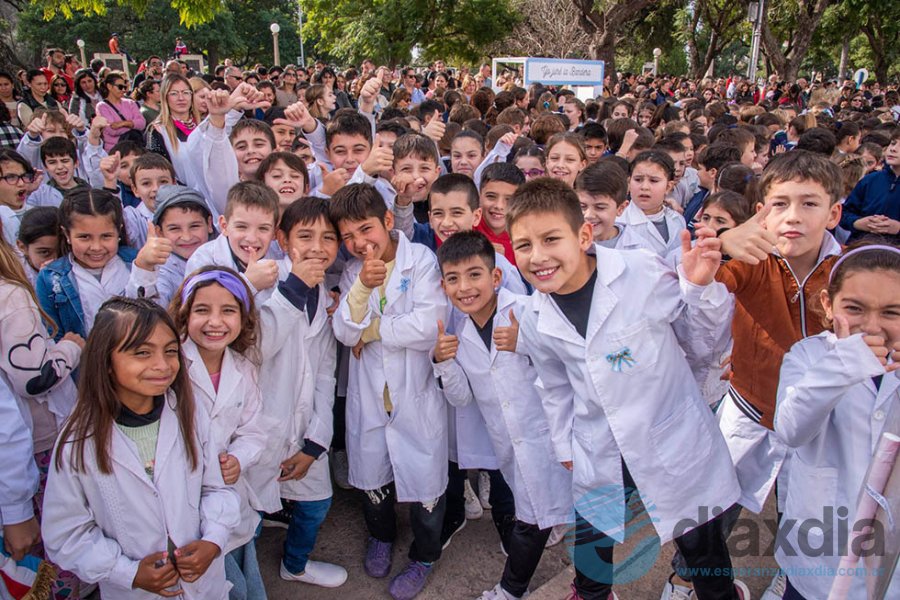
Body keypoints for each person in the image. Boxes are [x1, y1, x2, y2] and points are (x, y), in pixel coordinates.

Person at [509, 177, 745, 600]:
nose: (538, 256)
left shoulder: (638, 270)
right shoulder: (534, 314)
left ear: (583, 235)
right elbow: (554, 383)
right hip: (598, 443)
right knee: (594, 534)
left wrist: (699, 289)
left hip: (668, 435)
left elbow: (701, 344)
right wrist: (565, 444)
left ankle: (719, 594)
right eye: (524, 245)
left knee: (699, 544)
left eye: (550, 239)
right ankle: (591, 594)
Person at [41, 297, 241, 599]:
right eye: (142, 353)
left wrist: (214, 539)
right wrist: (128, 572)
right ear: (106, 361)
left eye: (170, 351)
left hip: (204, 585)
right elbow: (66, 534)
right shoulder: (77, 443)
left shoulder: (189, 413)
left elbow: (215, 489)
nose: (162, 365)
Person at [713, 150, 845, 599]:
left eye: (809, 203)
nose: (793, 217)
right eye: (780, 203)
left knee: (805, 512)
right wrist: (720, 245)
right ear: (759, 214)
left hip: (820, 424)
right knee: (710, 510)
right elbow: (690, 291)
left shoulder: (852, 272)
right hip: (749, 407)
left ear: (834, 213)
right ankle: (687, 578)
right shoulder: (748, 259)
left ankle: (793, 576)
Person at [433, 231, 572, 600]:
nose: (464, 287)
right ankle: (590, 586)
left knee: (541, 519)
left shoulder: (526, 312)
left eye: (475, 274)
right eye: (453, 278)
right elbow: (463, 399)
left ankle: (510, 591)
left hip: (552, 437)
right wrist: (443, 363)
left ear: (496, 278)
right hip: (510, 445)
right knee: (542, 514)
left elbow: (566, 368)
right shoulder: (458, 332)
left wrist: (524, 343)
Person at [330, 183, 449, 600]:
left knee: (426, 486)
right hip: (370, 399)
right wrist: (361, 287)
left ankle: (425, 556)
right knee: (373, 482)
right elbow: (345, 331)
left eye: (366, 229)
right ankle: (380, 537)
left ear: (386, 221)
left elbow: (428, 323)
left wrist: (375, 329)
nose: (360, 243)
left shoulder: (422, 262)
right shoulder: (351, 273)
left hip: (414, 394)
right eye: (349, 237)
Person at [774, 242, 900, 600]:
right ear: (828, 306)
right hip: (819, 554)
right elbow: (791, 429)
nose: (872, 325)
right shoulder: (808, 356)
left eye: (893, 312)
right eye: (854, 308)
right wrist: (842, 366)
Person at [255, 198, 348, 588]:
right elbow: (258, 348)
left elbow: (326, 373)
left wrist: (315, 443)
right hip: (256, 429)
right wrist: (293, 288)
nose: (317, 247)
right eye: (305, 236)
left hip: (304, 425)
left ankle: (294, 564)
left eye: (328, 238)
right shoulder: (263, 285)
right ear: (282, 239)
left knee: (315, 504)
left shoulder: (327, 295)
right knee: (247, 514)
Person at [170, 266, 273, 599]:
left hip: (229, 493)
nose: (215, 322)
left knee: (240, 573)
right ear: (184, 316)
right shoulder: (169, 368)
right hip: (181, 499)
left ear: (243, 319)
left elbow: (253, 430)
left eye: (228, 310)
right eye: (202, 310)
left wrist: (239, 459)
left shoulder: (243, 368)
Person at [0, 220, 85, 598]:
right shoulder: (9, 297)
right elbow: (35, 378)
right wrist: (70, 347)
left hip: (33, 448)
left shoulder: (8, 298)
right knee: (55, 553)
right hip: (38, 446)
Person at [35, 189, 138, 340]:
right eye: (84, 237)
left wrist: (145, 270)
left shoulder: (136, 263)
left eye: (106, 236)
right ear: (67, 235)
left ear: (119, 232)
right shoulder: (50, 278)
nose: (96, 247)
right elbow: (52, 333)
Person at [616, 150, 686, 257]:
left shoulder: (678, 220)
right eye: (638, 179)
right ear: (629, 183)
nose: (644, 187)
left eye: (653, 181)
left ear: (668, 187)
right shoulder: (618, 223)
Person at [839, 129, 900, 243]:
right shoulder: (870, 180)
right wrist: (858, 223)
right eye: (893, 143)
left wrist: (898, 228)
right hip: (861, 248)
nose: (893, 149)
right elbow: (844, 214)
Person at [97, 71, 146, 152]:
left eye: (125, 87)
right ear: (109, 86)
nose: (123, 90)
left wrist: (123, 123)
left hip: (135, 148)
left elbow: (142, 123)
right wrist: (133, 124)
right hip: (114, 150)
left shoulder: (130, 103)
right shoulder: (102, 106)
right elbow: (112, 130)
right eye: (120, 87)